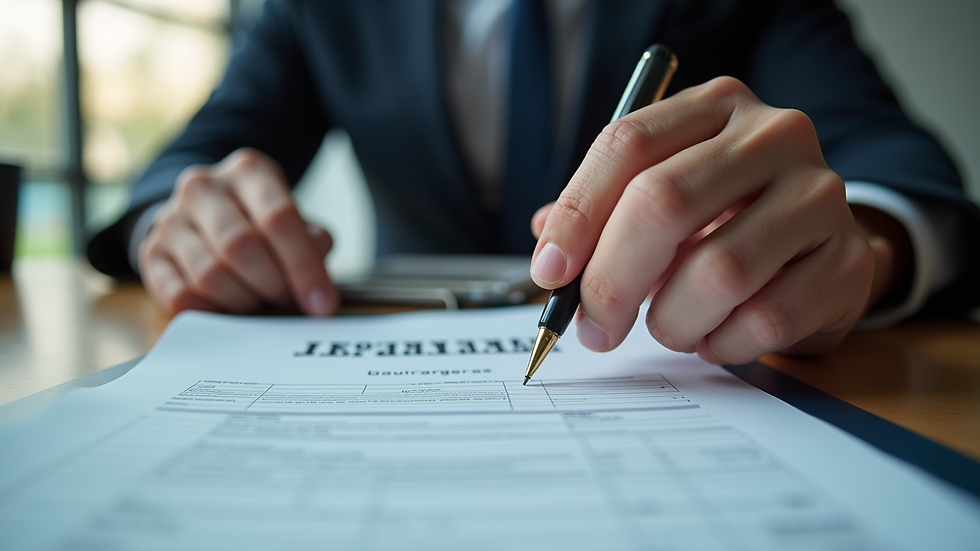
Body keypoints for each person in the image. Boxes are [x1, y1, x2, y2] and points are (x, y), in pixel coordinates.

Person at [87, 0, 980, 366]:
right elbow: (192, 157)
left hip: (673, 341)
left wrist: (861, 246)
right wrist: (177, 217)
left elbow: (897, 168)